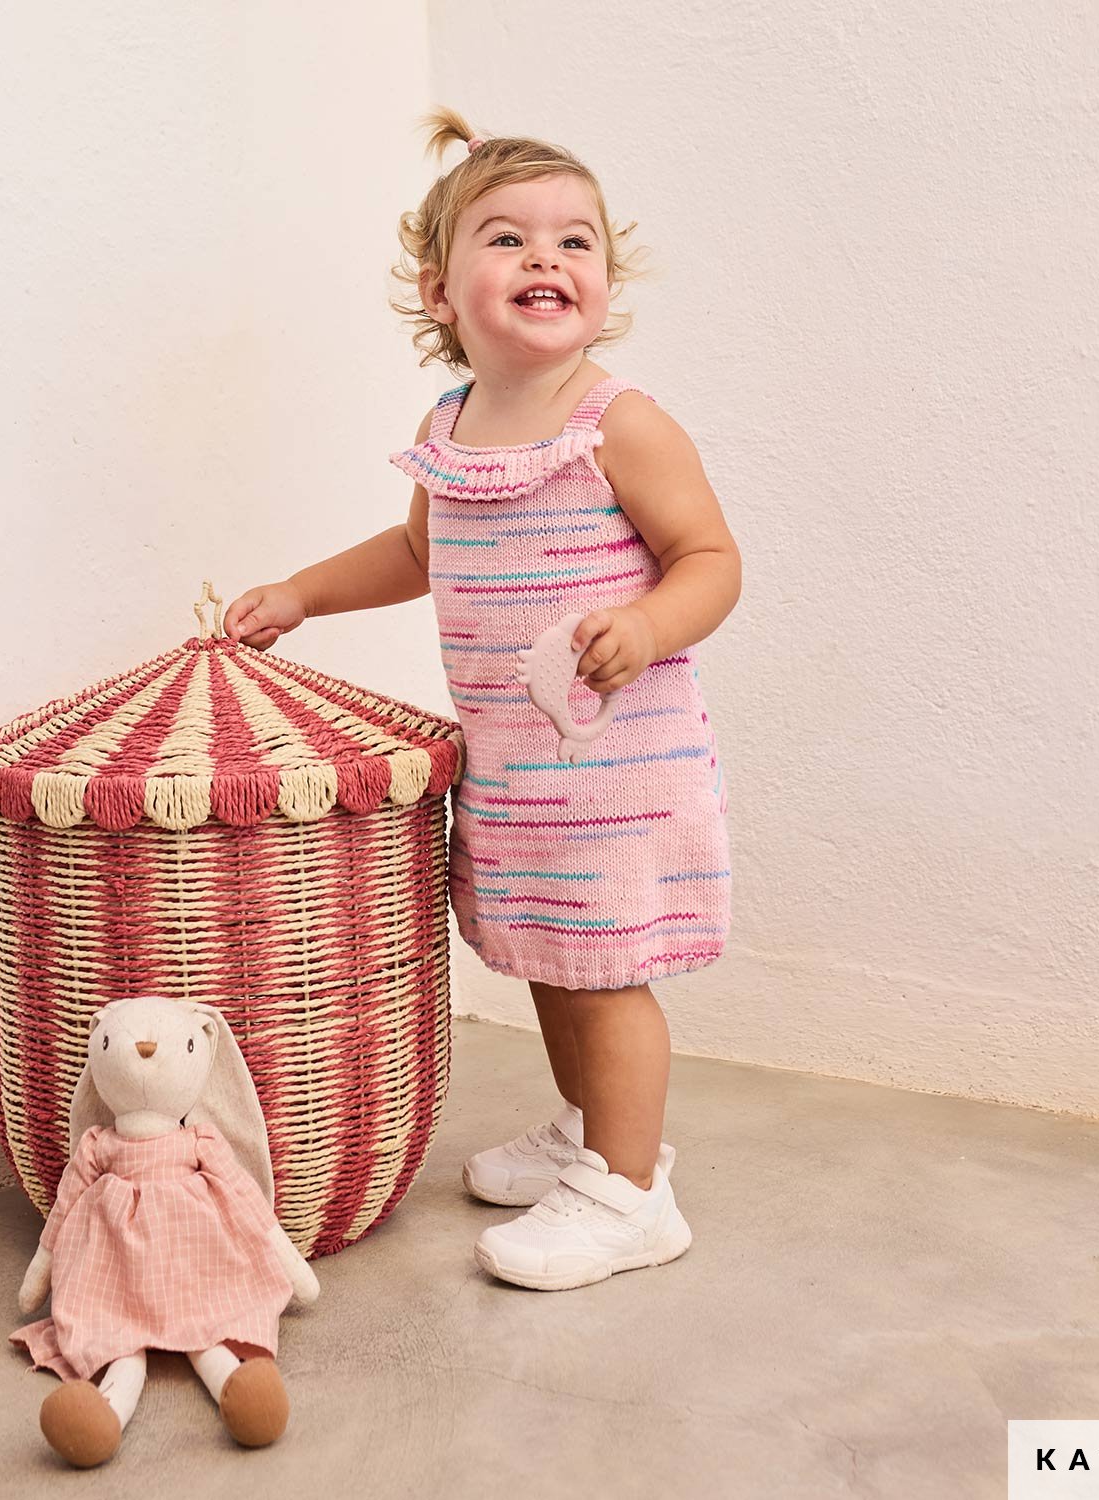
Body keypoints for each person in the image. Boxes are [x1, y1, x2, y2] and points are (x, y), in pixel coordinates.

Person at [224, 106, 740, 1292]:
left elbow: (712, 560)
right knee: (552, 958)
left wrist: (647, 626)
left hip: (616, 767)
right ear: (440, 291)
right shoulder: (450, 424)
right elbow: (421, 552)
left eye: (574, 241)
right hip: (516, 763)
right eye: (507, 238)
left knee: (606, 974)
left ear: (605, 281)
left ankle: (631, 1193)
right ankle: (590, 1129)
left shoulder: (619, 425)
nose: (545, 259)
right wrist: (303, 593)